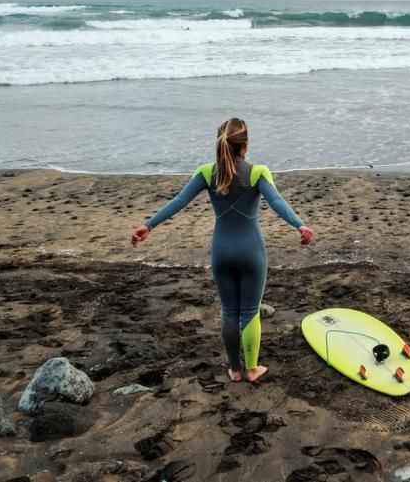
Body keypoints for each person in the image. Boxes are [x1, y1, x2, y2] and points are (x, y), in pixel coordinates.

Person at [130, 117, 313, 383]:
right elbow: (276, 201)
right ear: (245, 145)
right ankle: (251, 369)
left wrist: (149, 225)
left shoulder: (206, 172)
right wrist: (300, 225)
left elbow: (179, 201)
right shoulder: (258, 172)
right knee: (250, 311)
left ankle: (235, 370)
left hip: (221, 251)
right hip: (251, 251)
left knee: (229, 311)